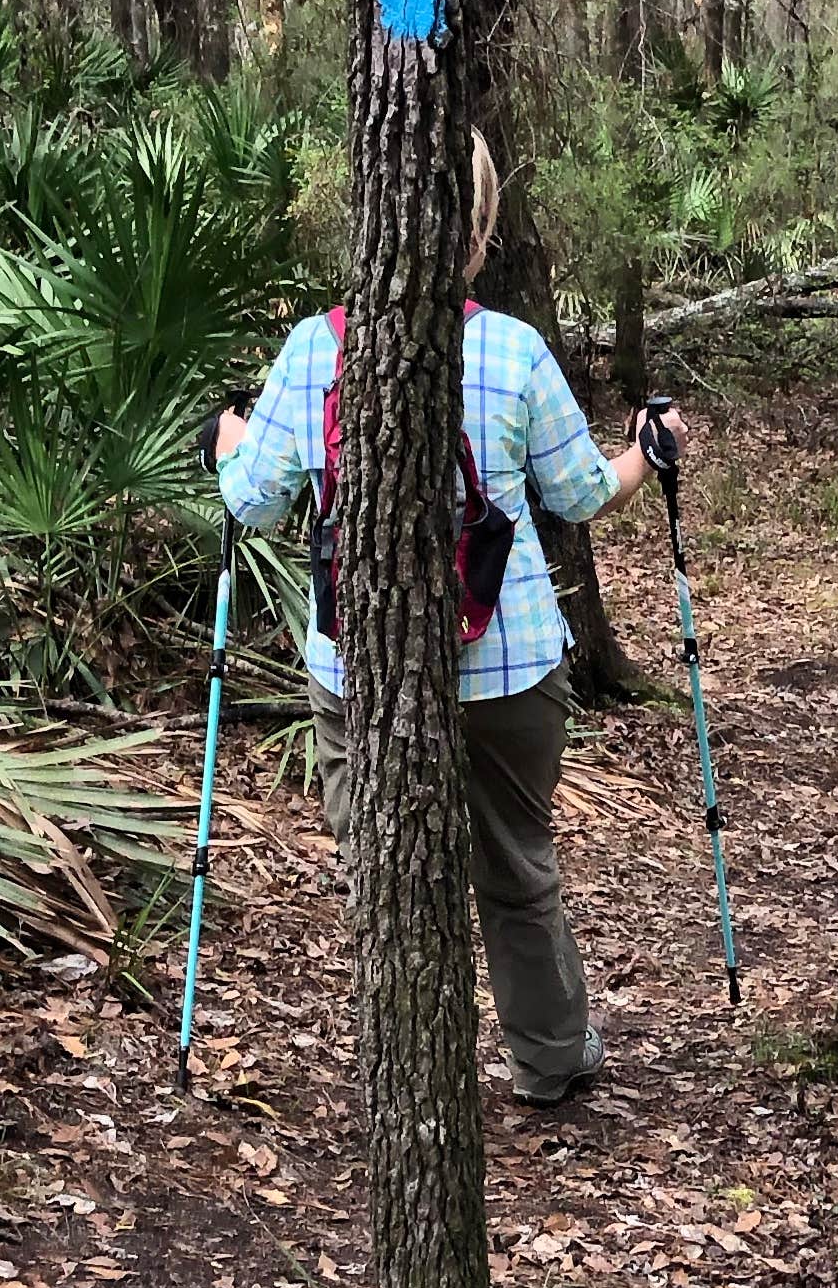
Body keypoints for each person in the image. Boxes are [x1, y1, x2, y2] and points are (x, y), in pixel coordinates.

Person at [210, 136, 676, 1110]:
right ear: (479, 231)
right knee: (514, 863)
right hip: (506, 671)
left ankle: (409, 1073)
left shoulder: (316, 349)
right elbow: (583, 493)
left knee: (385, 872)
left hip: (360, 674)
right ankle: (549, 1056)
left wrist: (231, 440)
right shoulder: (513, 352)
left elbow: (253, 503)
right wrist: (646, 451)